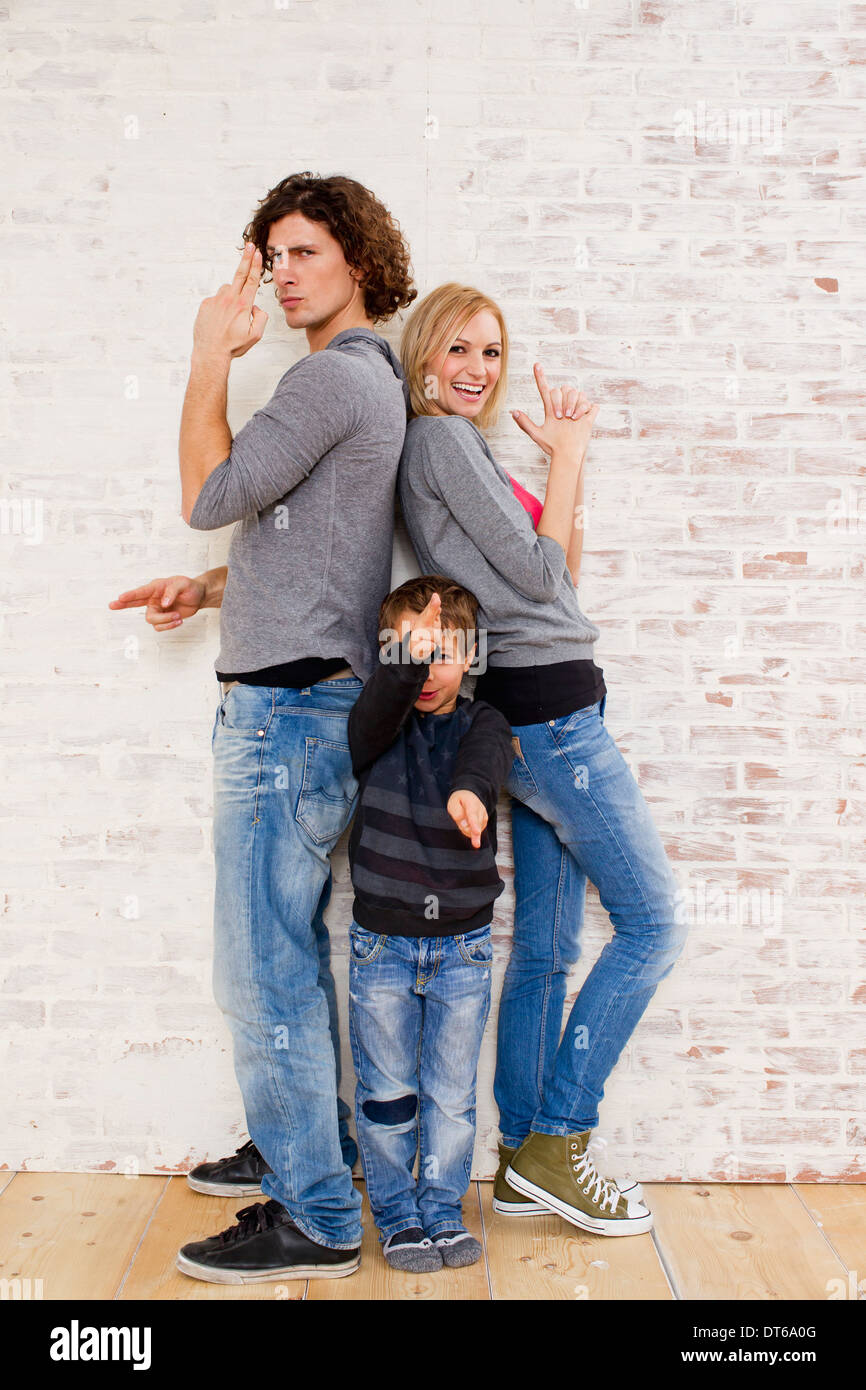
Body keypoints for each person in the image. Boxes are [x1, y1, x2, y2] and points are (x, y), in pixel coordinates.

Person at [109, 172, 415, 1283]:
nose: (281, 275)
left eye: (303, 254)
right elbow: (319, 550)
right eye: (270, 255)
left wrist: (206, 355)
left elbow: (210, 488)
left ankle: (319, 1216)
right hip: (304, 698)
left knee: (260, 971)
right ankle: (309, 1145)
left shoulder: (329, 380)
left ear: (360, 266)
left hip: (285, 716)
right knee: (288, 950)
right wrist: (215, 587)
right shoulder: (364, 378)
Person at [396, 283, 689, 1237]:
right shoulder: (441, 440)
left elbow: (549, 578)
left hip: (526, 711)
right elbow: (540, 577)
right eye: (458, 350)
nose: (477, 370)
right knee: (652, 924)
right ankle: (561, 1139)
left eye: (491, 352)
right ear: (423, 358)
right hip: (554, 719)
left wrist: (554, 498)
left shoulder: (454, 448)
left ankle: (523, 1156)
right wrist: (569, 458)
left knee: (550, 951)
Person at [345, 579, 514, 1271]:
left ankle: (442, 1210)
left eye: (441, 653)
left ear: (470, 656)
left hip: (463, 948)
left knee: (450, 1097)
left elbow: (485, 761)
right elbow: (369, 722)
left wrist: (471, 794)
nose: (426, 669)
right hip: (381, 943)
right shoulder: (380, 719)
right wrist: (404, 660)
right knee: (386, 1093)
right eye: (410, 651)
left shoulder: (483, 722)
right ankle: (396, 1213)